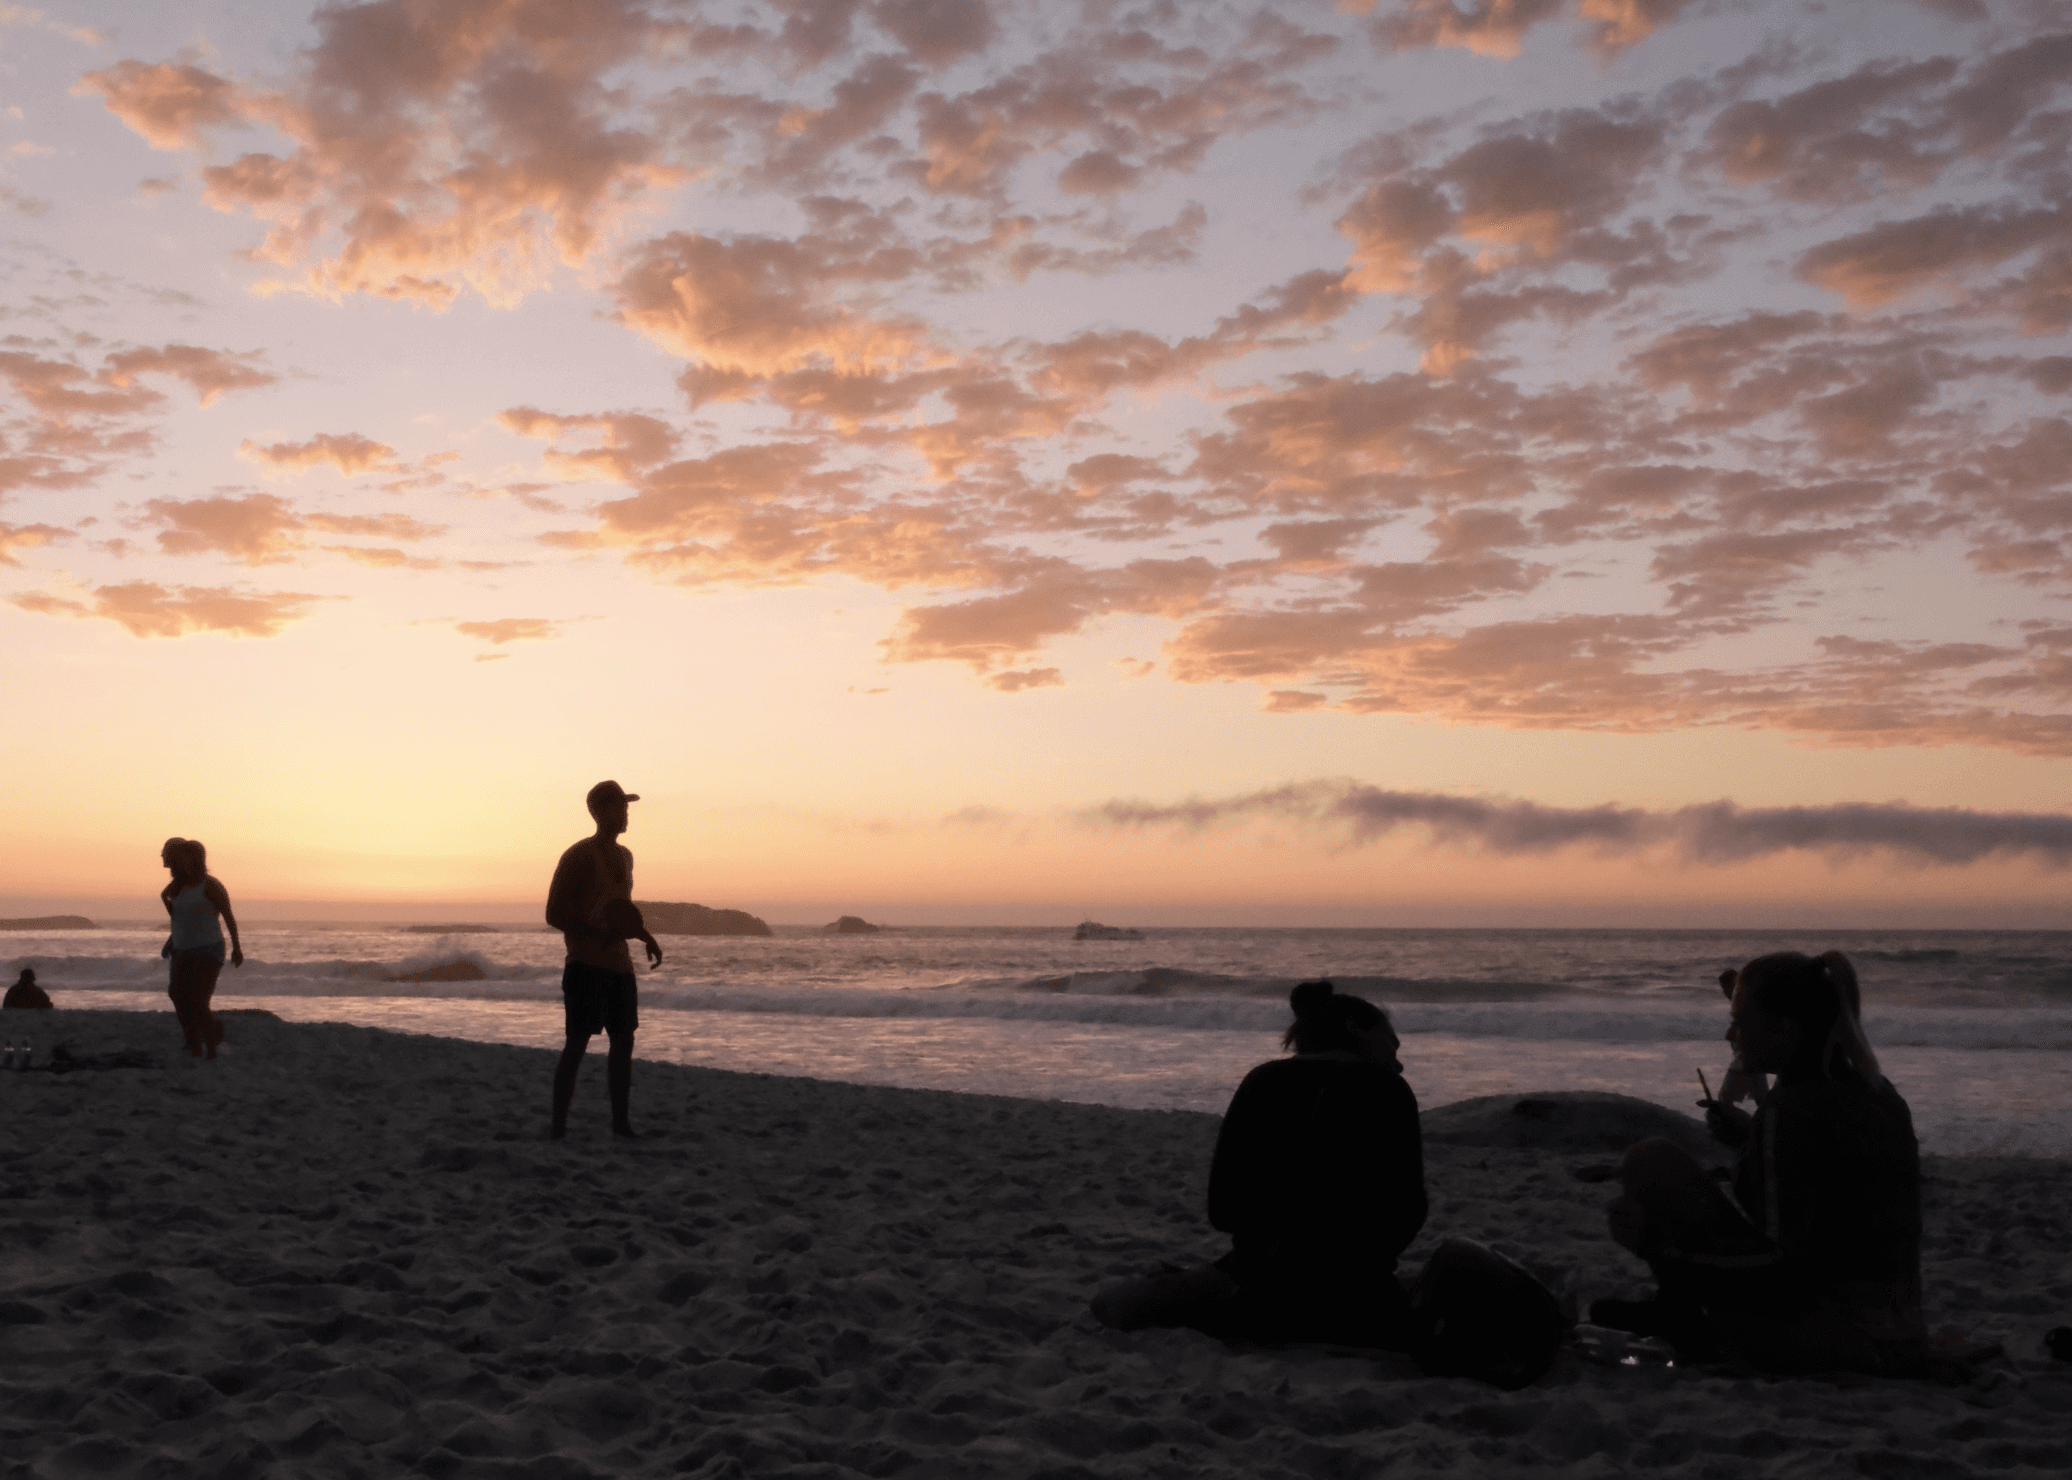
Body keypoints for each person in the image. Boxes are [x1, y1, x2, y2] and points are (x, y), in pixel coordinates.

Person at [1600, 950, 1925, 1374]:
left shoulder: (1790, 1110)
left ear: (1784, 1029)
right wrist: (1750, 1142)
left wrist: (1659, 1251)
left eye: (1741, 1021)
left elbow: (1784, 1273)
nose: (1729, 1035)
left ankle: (1682, 1320)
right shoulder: (1880, 1094)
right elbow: (1829, 1206)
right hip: (1898, 1329)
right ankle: (1676, 1314)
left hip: (1835, 1338)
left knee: (1651, 1161)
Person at [1091, 980, 1427, 1346]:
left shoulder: (1261, 1081)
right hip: (1358, 1291)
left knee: (1114, 1302)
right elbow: (1408, 1211)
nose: (1398, 1062)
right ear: (1354, 1028)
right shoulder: (1388, 1090)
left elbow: (1223, 1210)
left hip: (1256, 1282)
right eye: (1391, 1044)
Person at [545, 780, 662, 1140]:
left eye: (626, 807)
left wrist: (645, 936)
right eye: (620, 807)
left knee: (623, 1042)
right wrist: (594, 935)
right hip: (584, 965)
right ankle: (558, 1128)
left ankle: (621, 1125)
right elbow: (553, 913)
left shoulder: (626, 857)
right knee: (577, 1043)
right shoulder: (578, 856)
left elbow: (620, 913)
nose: (626, 813)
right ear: (600, 812)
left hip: (620, 966)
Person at [158, 837, 243, 1058]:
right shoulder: (175, 888)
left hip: (208, 950)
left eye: (179, 859)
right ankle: (194, 1040)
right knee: (177, 994)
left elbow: (229, 918)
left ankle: (211, 1049)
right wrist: (171, 941)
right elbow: (180, 919)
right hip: (182, 950)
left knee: (198, 999)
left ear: (193, 859)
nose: (173, 863)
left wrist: (237, 948)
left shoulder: (211, 886)